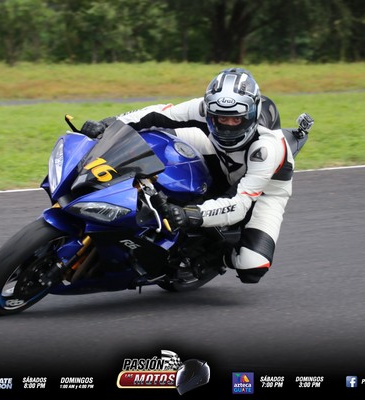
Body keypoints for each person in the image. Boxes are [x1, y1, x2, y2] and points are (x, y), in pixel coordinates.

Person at [81, 67, 302, 284]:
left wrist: (189, 215)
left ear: (251, 115)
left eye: (236, 119)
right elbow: (158, 113)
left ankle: (212, 257)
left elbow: (240, 205)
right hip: (217, 155)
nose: (228, 126)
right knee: (154, 134)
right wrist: (108, 124)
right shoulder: (203, 108)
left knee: (252, 266)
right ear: (209, 111)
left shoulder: (267, 148)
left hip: (263, 191)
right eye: (221, 118)